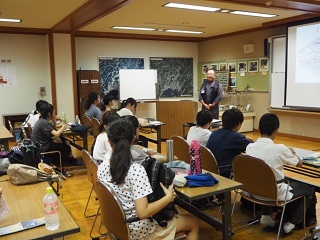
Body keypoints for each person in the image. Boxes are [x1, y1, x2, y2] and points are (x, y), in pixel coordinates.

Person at [98, 118, 199, 239]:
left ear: (109, 141)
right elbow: (143, 213)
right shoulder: (135, 170)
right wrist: (168, 198)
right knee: (193, 222)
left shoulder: (102, 167)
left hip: (117, 224)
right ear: (134, 138)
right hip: (138, 229)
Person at [246, 113, 317, 234]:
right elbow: (299, 163)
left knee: (264, 178)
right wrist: (291, 153)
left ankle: (266, 216)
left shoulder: (250, 147)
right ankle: (290, 224)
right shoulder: (280, 149)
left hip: (254, 191)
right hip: (274, 193)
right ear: (276, 131)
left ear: (259, 129)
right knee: (309, 189)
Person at [31, 103, 84, 167]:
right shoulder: (44, 123)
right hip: (42, 146)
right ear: (49, 114)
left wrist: (54, 120)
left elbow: (54, 129)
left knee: (65, 141)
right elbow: (57, 134)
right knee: (66, 148)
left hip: (40, 144)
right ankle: (56, 166)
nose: (54, 114)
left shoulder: (42, 120)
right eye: (53, 112)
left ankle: (69, 160)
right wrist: (64, 125)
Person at [206, 108, 253, 178]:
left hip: (210, 170)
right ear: (238, 124)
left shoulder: (214, 133)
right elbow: (252, 145)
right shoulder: (237, 137)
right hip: (225, 172)